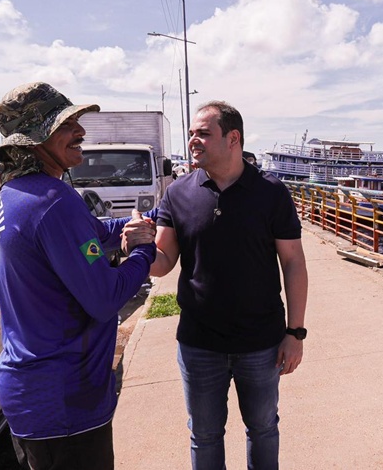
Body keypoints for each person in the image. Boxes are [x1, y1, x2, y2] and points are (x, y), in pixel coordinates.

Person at [126, 100, 308, 469]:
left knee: (262, 428)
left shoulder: (271, 193)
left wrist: (296, 332)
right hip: (199, 343)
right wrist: (140, 248)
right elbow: (163, 264)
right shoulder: (178, 193)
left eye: (203, 134)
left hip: (260, 342)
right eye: (192, 133)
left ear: (233, 138)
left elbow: (293, 262)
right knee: (204, 435)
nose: (194, 140)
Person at [0, 82, 157, 470]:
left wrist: (140, 222)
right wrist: (142, 251)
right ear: (33, 142)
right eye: (64, 125)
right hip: (64, 401)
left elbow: (92, 233)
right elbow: (105, 298)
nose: (80, 131)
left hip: (35, 399)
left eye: (77, 121)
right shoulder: (52, 201)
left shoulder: (18, 192)